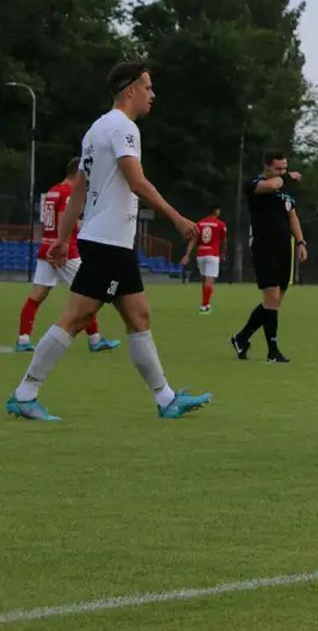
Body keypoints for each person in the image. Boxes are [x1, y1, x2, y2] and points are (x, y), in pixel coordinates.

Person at [6, 61, 211, 421]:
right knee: (76, 317)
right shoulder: (123, 128)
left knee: (139, 316)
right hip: (108, 242)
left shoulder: (95, 130)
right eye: (147, 87)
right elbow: (137, 181)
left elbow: (79, 192)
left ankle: (165, 399)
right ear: (130, 89)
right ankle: (25, 393)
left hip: (108, 241)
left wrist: (61, 237)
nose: (152, 94)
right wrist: (176, 217)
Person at [15, 158, 120, 353]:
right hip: (64, 250)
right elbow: (65, 218)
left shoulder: (53, 190)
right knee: (89, 291)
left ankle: (23, 339)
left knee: (37, 296)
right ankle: (95, 339)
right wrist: (67, 241)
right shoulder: (68, 192)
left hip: (46, 247)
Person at [229, 152, 308, 363]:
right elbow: (271, 186)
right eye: (278, 169)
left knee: (275, 302)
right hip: (265, 246)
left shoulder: (286, 190)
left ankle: (241, 338)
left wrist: (300, 242)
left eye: (285, 168)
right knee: (271, 299)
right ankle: (273, 351)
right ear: (267, 167)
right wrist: (288, 177)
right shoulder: (255, 184)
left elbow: (292, 215)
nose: (282, 172)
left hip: (285, 246)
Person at [180, 206, 227, 314]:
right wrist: (223, 253)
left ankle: (206, 303)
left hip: (201, 254)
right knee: (209, 280)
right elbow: (224, 241)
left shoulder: (200, 223)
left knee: (204, 280)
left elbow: (194, 240)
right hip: (213, 255)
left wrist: (187, 255)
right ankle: (204, 305)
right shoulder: (221, 224)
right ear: (216, 211)